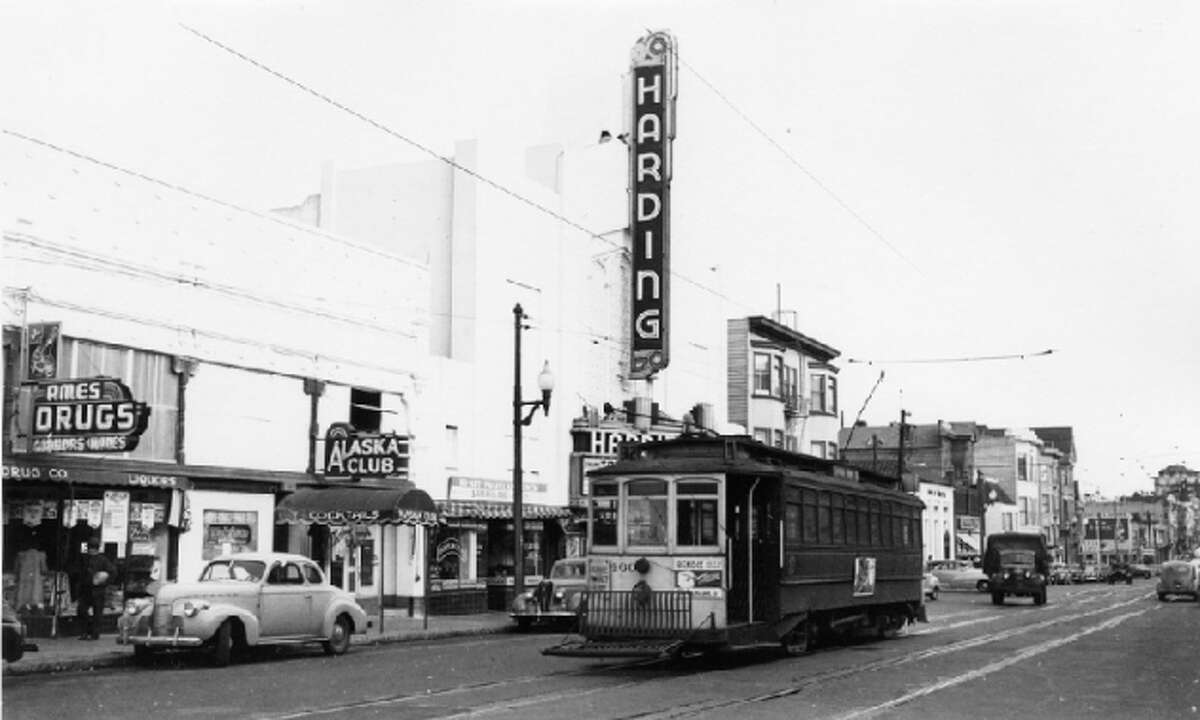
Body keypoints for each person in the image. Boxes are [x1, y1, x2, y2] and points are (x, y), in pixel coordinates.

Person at [76, 539, 117, 640]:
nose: (91, 550)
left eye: (92, 548)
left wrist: (103, 581)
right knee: (85, 611)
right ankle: (88, 632)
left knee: (94, 613)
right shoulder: (87, 559)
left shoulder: (101, 560)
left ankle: (91, 633)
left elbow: (112, 572)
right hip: (89, 589)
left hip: (96, 590)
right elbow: (113, 572)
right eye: (90, 548)